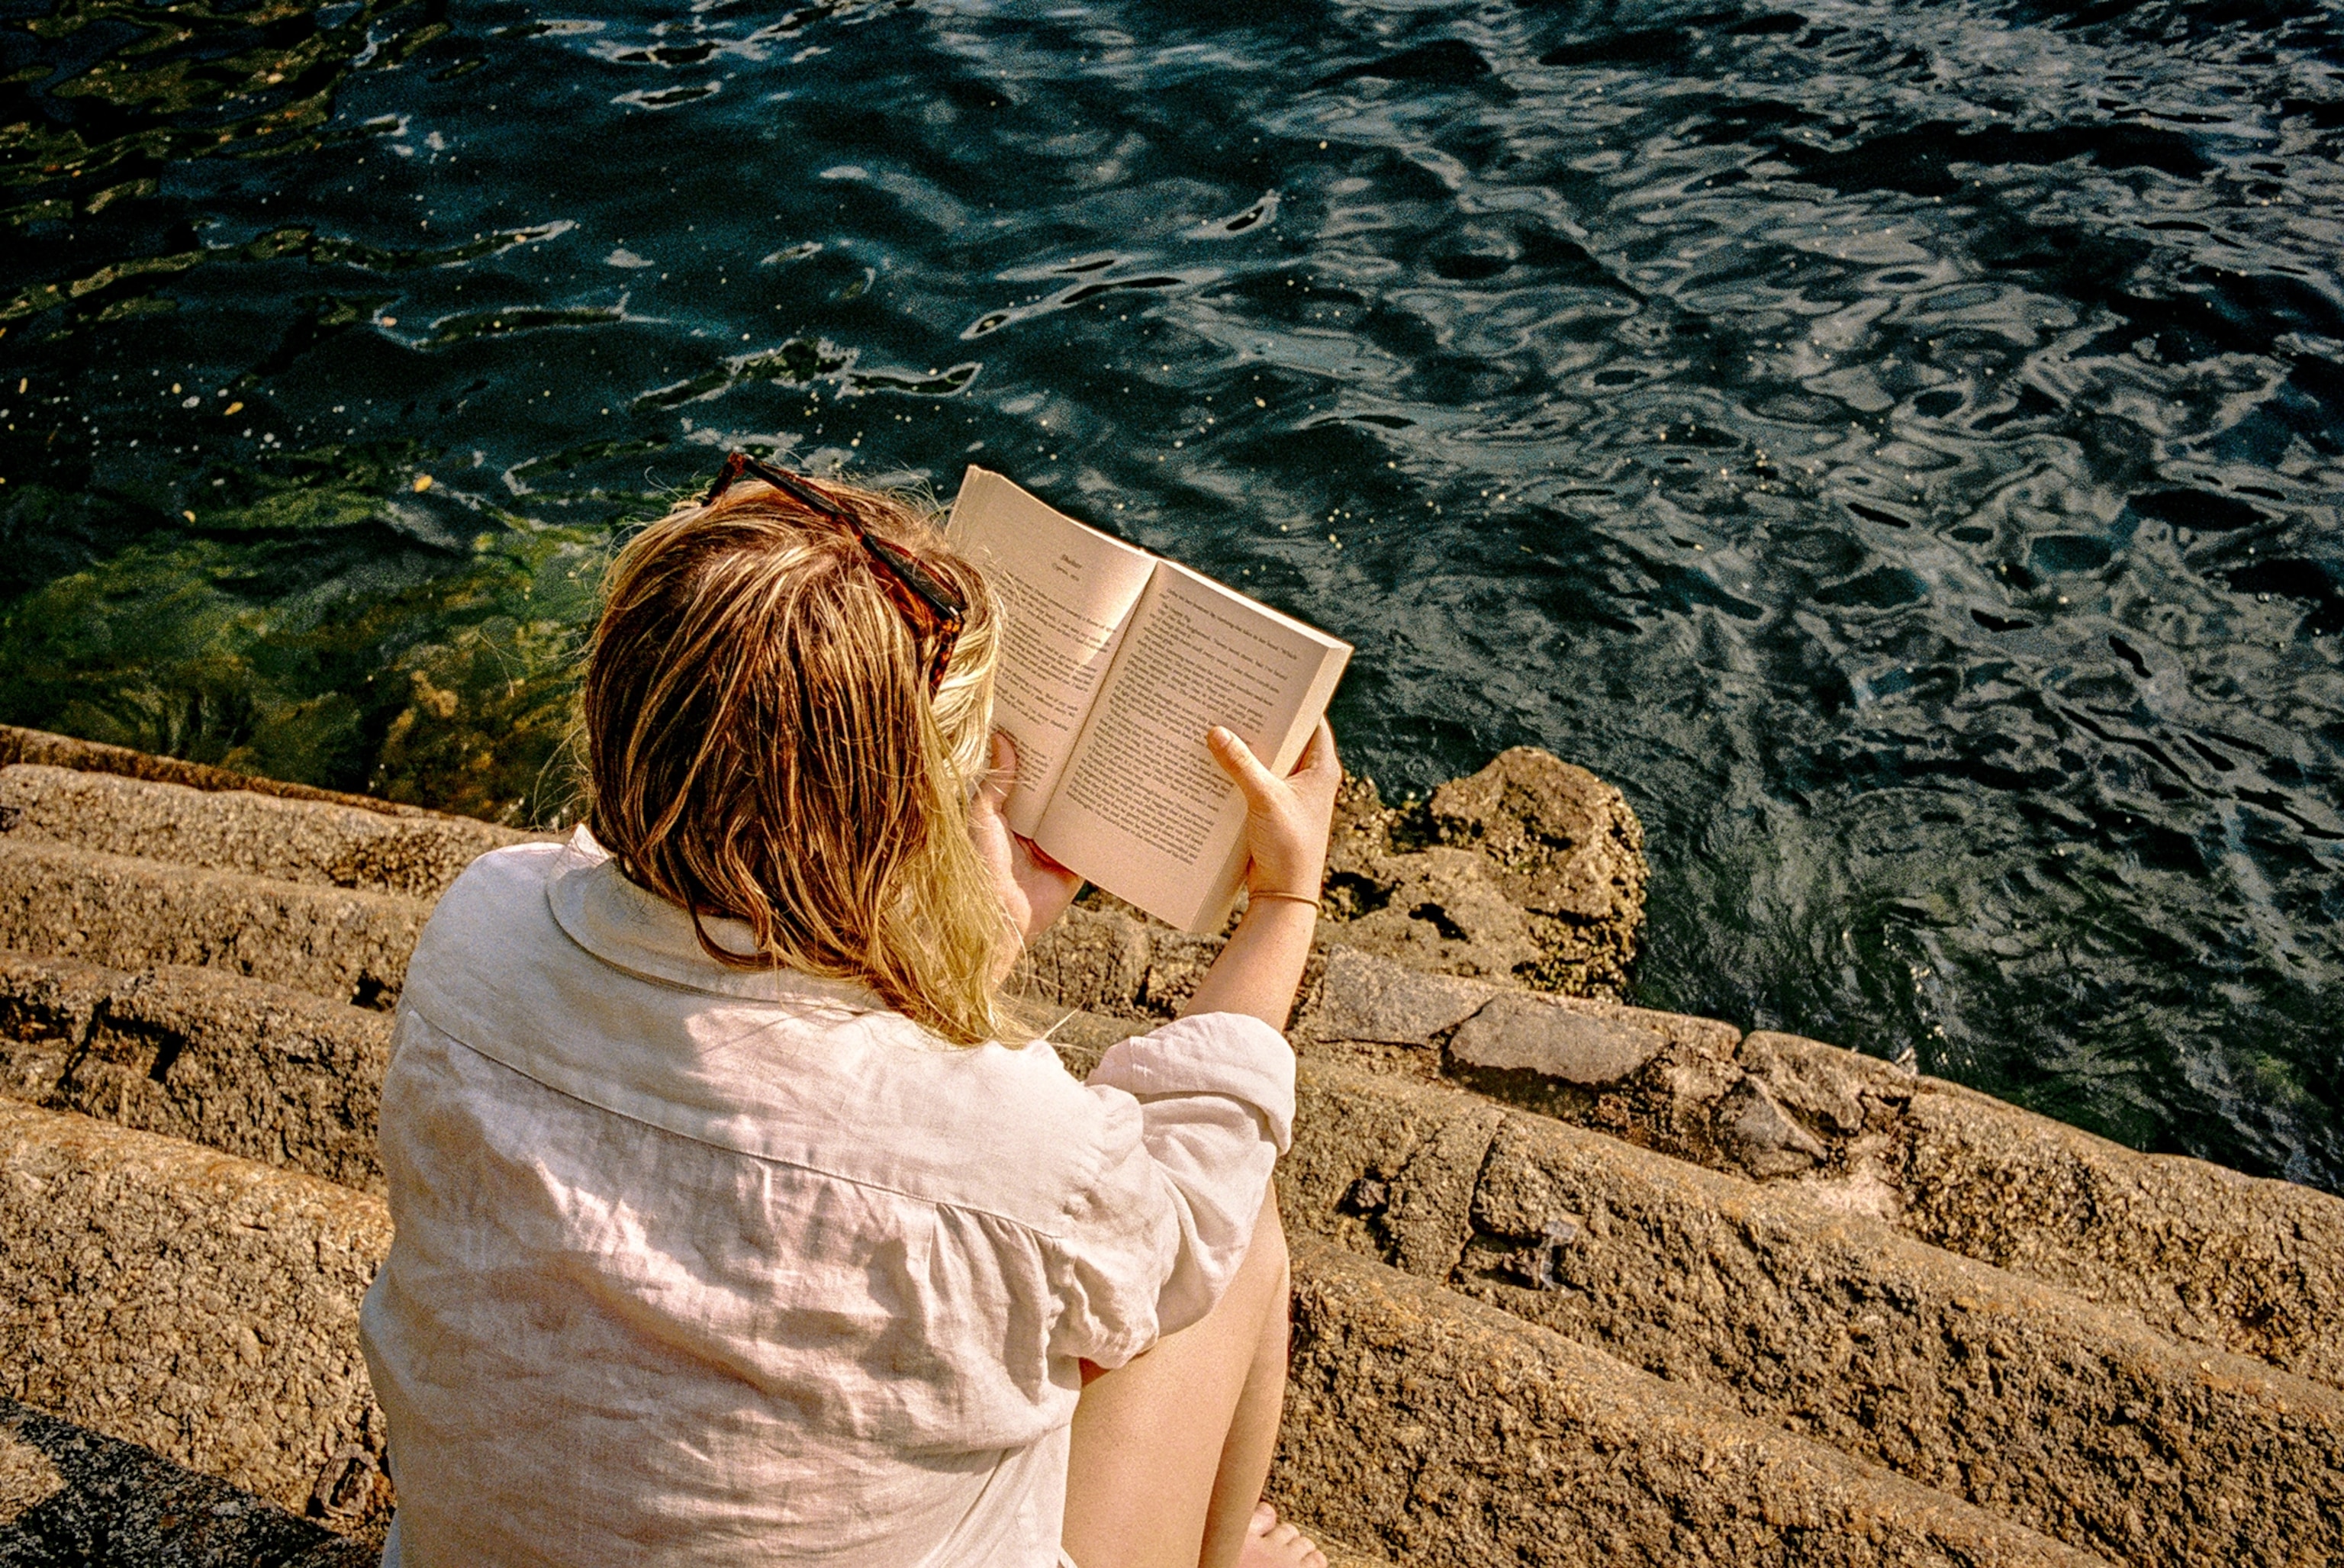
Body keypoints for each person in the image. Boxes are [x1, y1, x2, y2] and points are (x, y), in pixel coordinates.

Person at [358, 458, 1340, 1568]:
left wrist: (966, 929)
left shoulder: (476, 933)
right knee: (1238, 1220)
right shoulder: (1012, 1147)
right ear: (906, 811)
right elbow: (1181, 1221)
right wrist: (1283, 903)